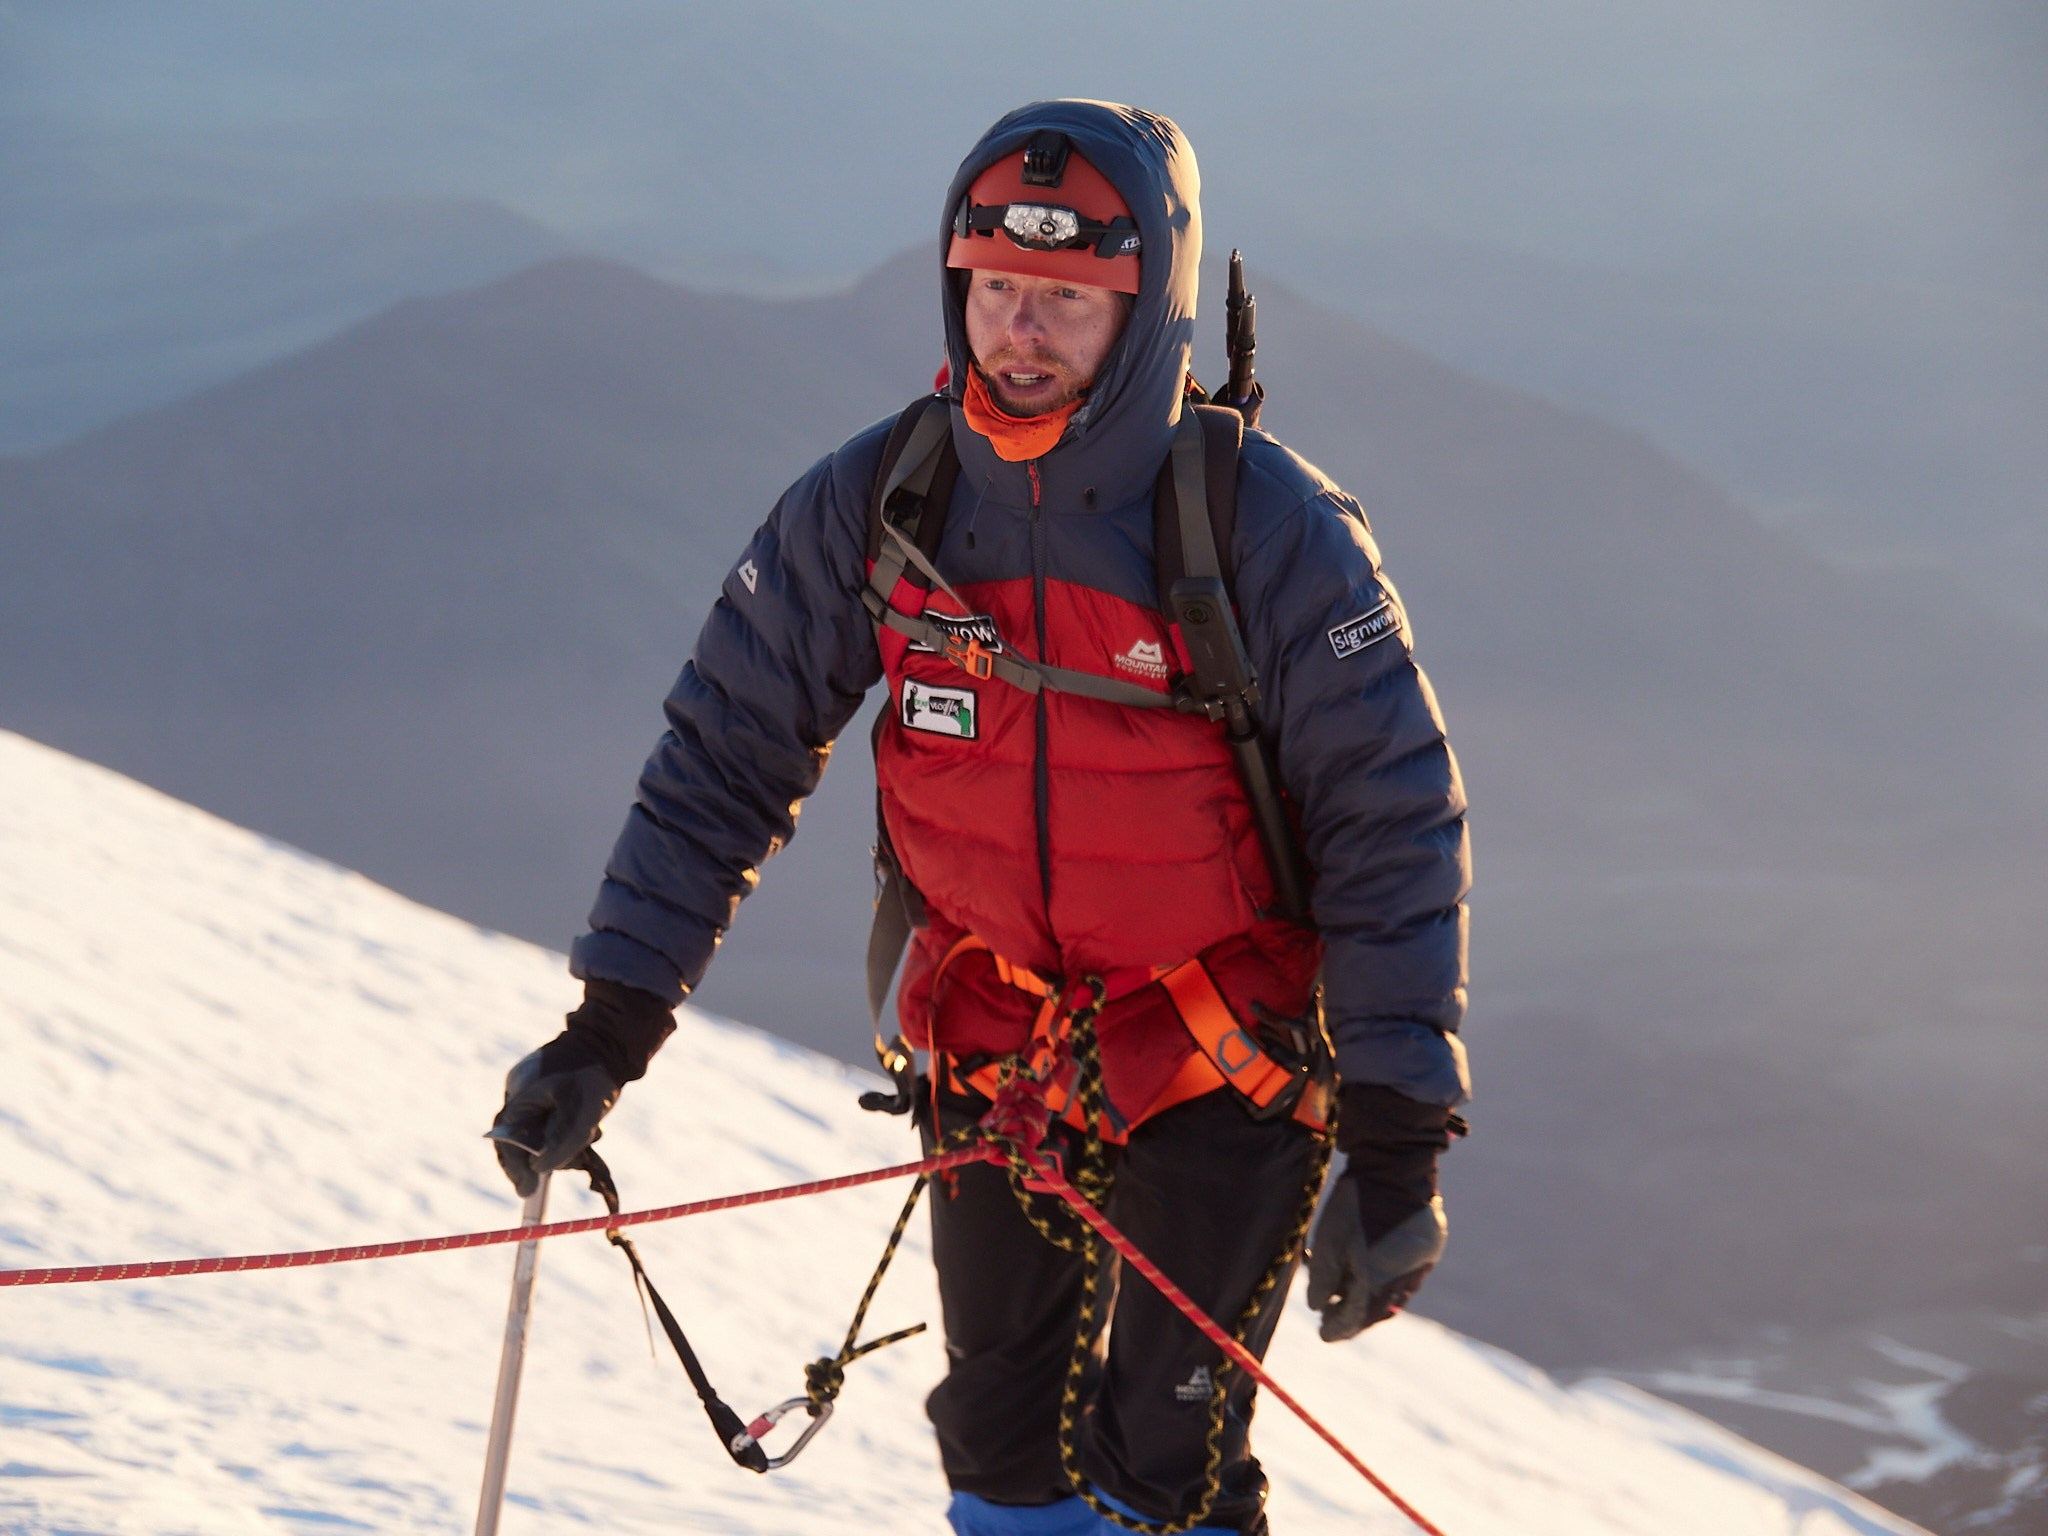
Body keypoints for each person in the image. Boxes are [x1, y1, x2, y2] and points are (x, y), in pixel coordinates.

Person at [491, 100, 1470, 1536]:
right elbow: (725, 756)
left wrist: (1396, 1147)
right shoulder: (883, 503)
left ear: (1146, 311)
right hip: (998, 1038)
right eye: (996, 286)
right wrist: (608, 1027)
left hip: (1225, 1055)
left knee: (1164, 1471)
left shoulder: (1265, 529)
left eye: (1067, 298)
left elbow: (1391, 821)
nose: (1019, 330)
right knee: (1001, 1459)